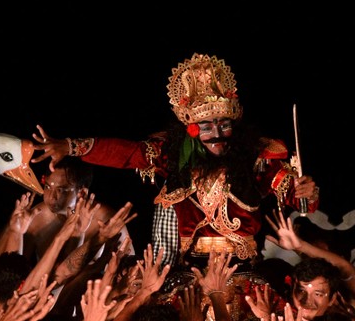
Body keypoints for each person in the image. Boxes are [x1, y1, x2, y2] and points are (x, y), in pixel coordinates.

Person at [31, 52, 319, 271]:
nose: (217, 135)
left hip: (241, 269)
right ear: (191, 129)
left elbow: (291, 191)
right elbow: (126, 154)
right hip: (184, 269)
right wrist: (70, 147)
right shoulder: (171, 153)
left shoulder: (256, 156)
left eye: (223, 125)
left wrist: (305, 192)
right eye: (206, 127)